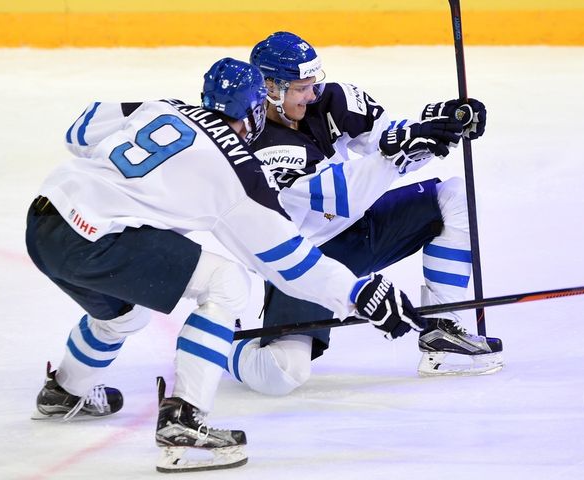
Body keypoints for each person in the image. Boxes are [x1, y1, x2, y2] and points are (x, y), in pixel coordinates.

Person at [25, 57, 426, 472]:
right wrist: (356, 293)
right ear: (255, 110)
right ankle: (184, 422)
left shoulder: (163, 106)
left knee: (126, 312)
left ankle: (65, 391)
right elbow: (288, 262)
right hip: (97, 238)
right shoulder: (238, 171)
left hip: (45, 219)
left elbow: (80, 130)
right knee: (228, 282)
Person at [227, 32, 504, 397]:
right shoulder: (261, 145)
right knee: (279, 374)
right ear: (269, 88)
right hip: (304, 260)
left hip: (364, 231)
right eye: (300, 88)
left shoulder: (334, 99)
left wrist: (443, 127)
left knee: (455, 196)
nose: (311, 95)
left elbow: (387, 138)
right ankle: (226, 346)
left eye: (313, 84)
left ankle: (440, 328)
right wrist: (398, 151)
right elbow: (343, 196)